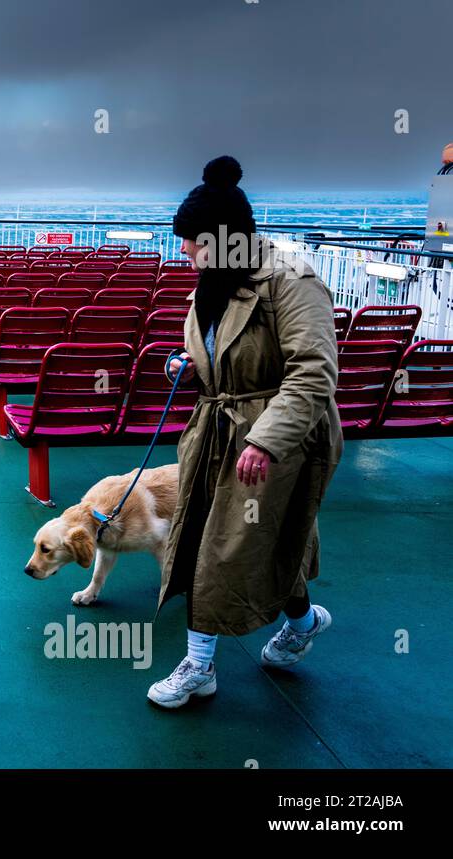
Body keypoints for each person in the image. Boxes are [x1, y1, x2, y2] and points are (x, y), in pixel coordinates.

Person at [147, 155, 343, 709]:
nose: (184, 251)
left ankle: (199, 666)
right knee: (223, 536)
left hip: (279, 439)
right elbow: (221, 351)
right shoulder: (212, 284)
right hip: (217, 431)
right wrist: (189, 365)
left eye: (193, 242)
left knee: (227, 544)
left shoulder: (291, 280)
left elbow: (314, 370)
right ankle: (303, 623)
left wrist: (265, 440)